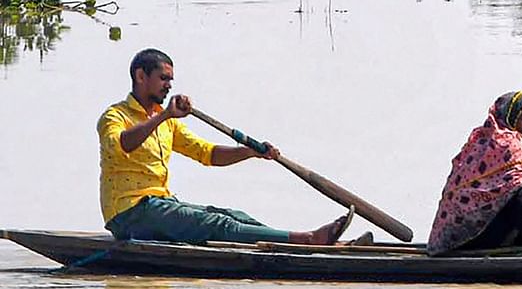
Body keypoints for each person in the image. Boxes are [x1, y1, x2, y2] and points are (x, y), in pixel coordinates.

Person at [99, 48, 353, 246]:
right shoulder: (115, 116)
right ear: (141, 76)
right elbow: (122, 144)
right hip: (129, 214)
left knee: (235, 216)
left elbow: (207, 153)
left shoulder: (165, 121)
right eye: (163, 78)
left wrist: (249, 152)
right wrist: (164, 116)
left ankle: (289, 244)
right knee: (217, 224)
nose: (169, 85)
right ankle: (306, 239)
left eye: (171, 80)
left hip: (160, 205)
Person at [426, 91, 522, 255]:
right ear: (511, 118)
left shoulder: (486, 138)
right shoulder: (508, 143)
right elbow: (517, 192)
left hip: (455, 236)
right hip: (473, 236)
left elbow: (508, 180)